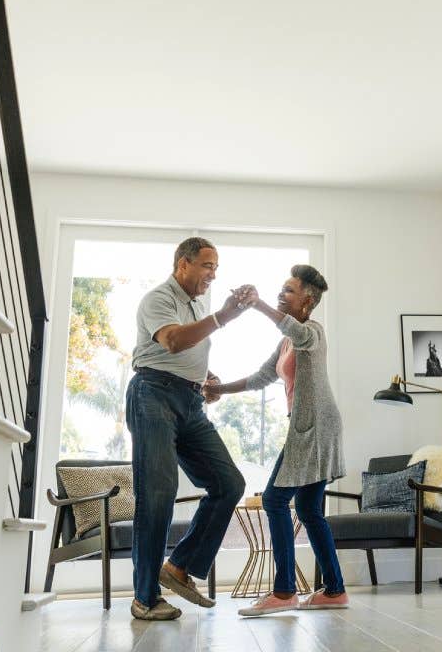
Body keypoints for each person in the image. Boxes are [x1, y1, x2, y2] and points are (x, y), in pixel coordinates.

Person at [205, 265, 348, 616]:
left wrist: (258, 304)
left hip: (316, 427)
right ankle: (335, 591)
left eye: (289, 290)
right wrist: (219, 389)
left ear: (308, 300)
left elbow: (297, 334)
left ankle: (284, 592)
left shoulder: (312, 331)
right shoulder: (286, 340)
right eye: (280, 289)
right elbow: (262, 376)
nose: (282, 294)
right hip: (309, 428)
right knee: (310, 510)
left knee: (273, 500)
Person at [125, 237, 249, 621]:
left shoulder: (197, 303)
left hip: (190, 403)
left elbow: (190, 351)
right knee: (159, 493)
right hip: (153, 395)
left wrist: (204, 378)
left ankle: (178, 568)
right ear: (183, 264)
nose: (213, 275)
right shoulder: (158, 299)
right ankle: (145, 598)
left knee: (229, 484)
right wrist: (223, 317)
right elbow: (174, 341)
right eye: (207, 266)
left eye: (216, 268)